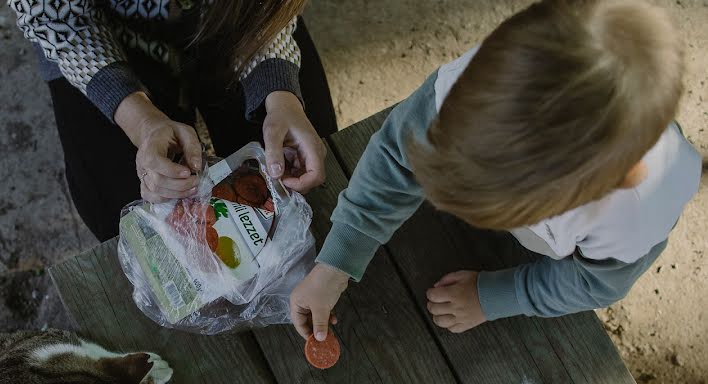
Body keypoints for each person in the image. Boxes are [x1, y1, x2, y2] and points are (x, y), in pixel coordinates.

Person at [290, 0, 701, 340]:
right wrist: (336, 262)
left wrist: (499, 295)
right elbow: (398, 156)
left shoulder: (637, 212)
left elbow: (594, 283)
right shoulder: (481, 84)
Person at [9, 0, 337, 241]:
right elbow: (57, 21)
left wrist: (281, 97)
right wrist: (141, 121)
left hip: (237, 17)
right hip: (94, 32)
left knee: (304, 187)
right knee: (128, 225)